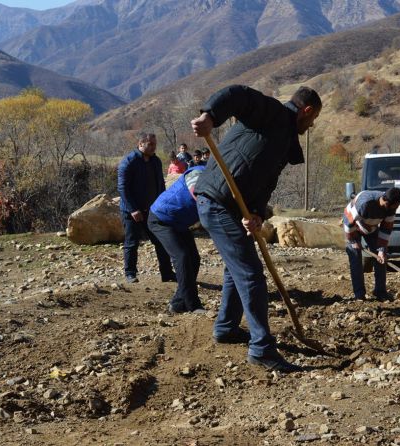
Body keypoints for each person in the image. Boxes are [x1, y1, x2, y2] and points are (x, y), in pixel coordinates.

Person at [191, 84, 321, 373]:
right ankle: (262, 349)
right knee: (251, 275)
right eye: (313, 120)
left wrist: (256, 213)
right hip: (216, 199)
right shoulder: (273, 113)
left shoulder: (284, 137)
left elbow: (265, 179)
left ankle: (226, 327)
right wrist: (211, 116)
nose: (312, 126)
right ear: (307, 110)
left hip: (228, 204)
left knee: (236, 269)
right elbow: (238, 95)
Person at [117, 133, 176, 283]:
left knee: (161, 241)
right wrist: (132, 209)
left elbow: (160, 185)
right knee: (132, 242)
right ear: (141, 144)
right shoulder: (129, 162)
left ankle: (167, 273)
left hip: (152, 210)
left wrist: (163, 205)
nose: (153, 147)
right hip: (132, 211)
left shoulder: (155, 161)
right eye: (150, 144)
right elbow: (122, 188)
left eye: (154, 144)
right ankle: (130, 273)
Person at [148, 164, 207, 314]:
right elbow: (196, 192)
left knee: (193, 259)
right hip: (161, 218)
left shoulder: (218, 181)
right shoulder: (198, 172)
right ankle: (193, 305)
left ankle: (178, 303)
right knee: (181, 256)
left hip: (179, 222)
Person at [342, 187, 400, 300]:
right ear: (386, 202)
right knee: (356, 257)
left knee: (381, 258)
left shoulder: (391, 208)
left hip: (370, 227)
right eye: (395, 206)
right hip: (353, 226)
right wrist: (353, 241)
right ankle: (359, 294)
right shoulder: (365, 203)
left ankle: (380, 292)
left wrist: (381, 250)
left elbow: (386, 229)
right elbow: (348, 223)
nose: (396, 209)